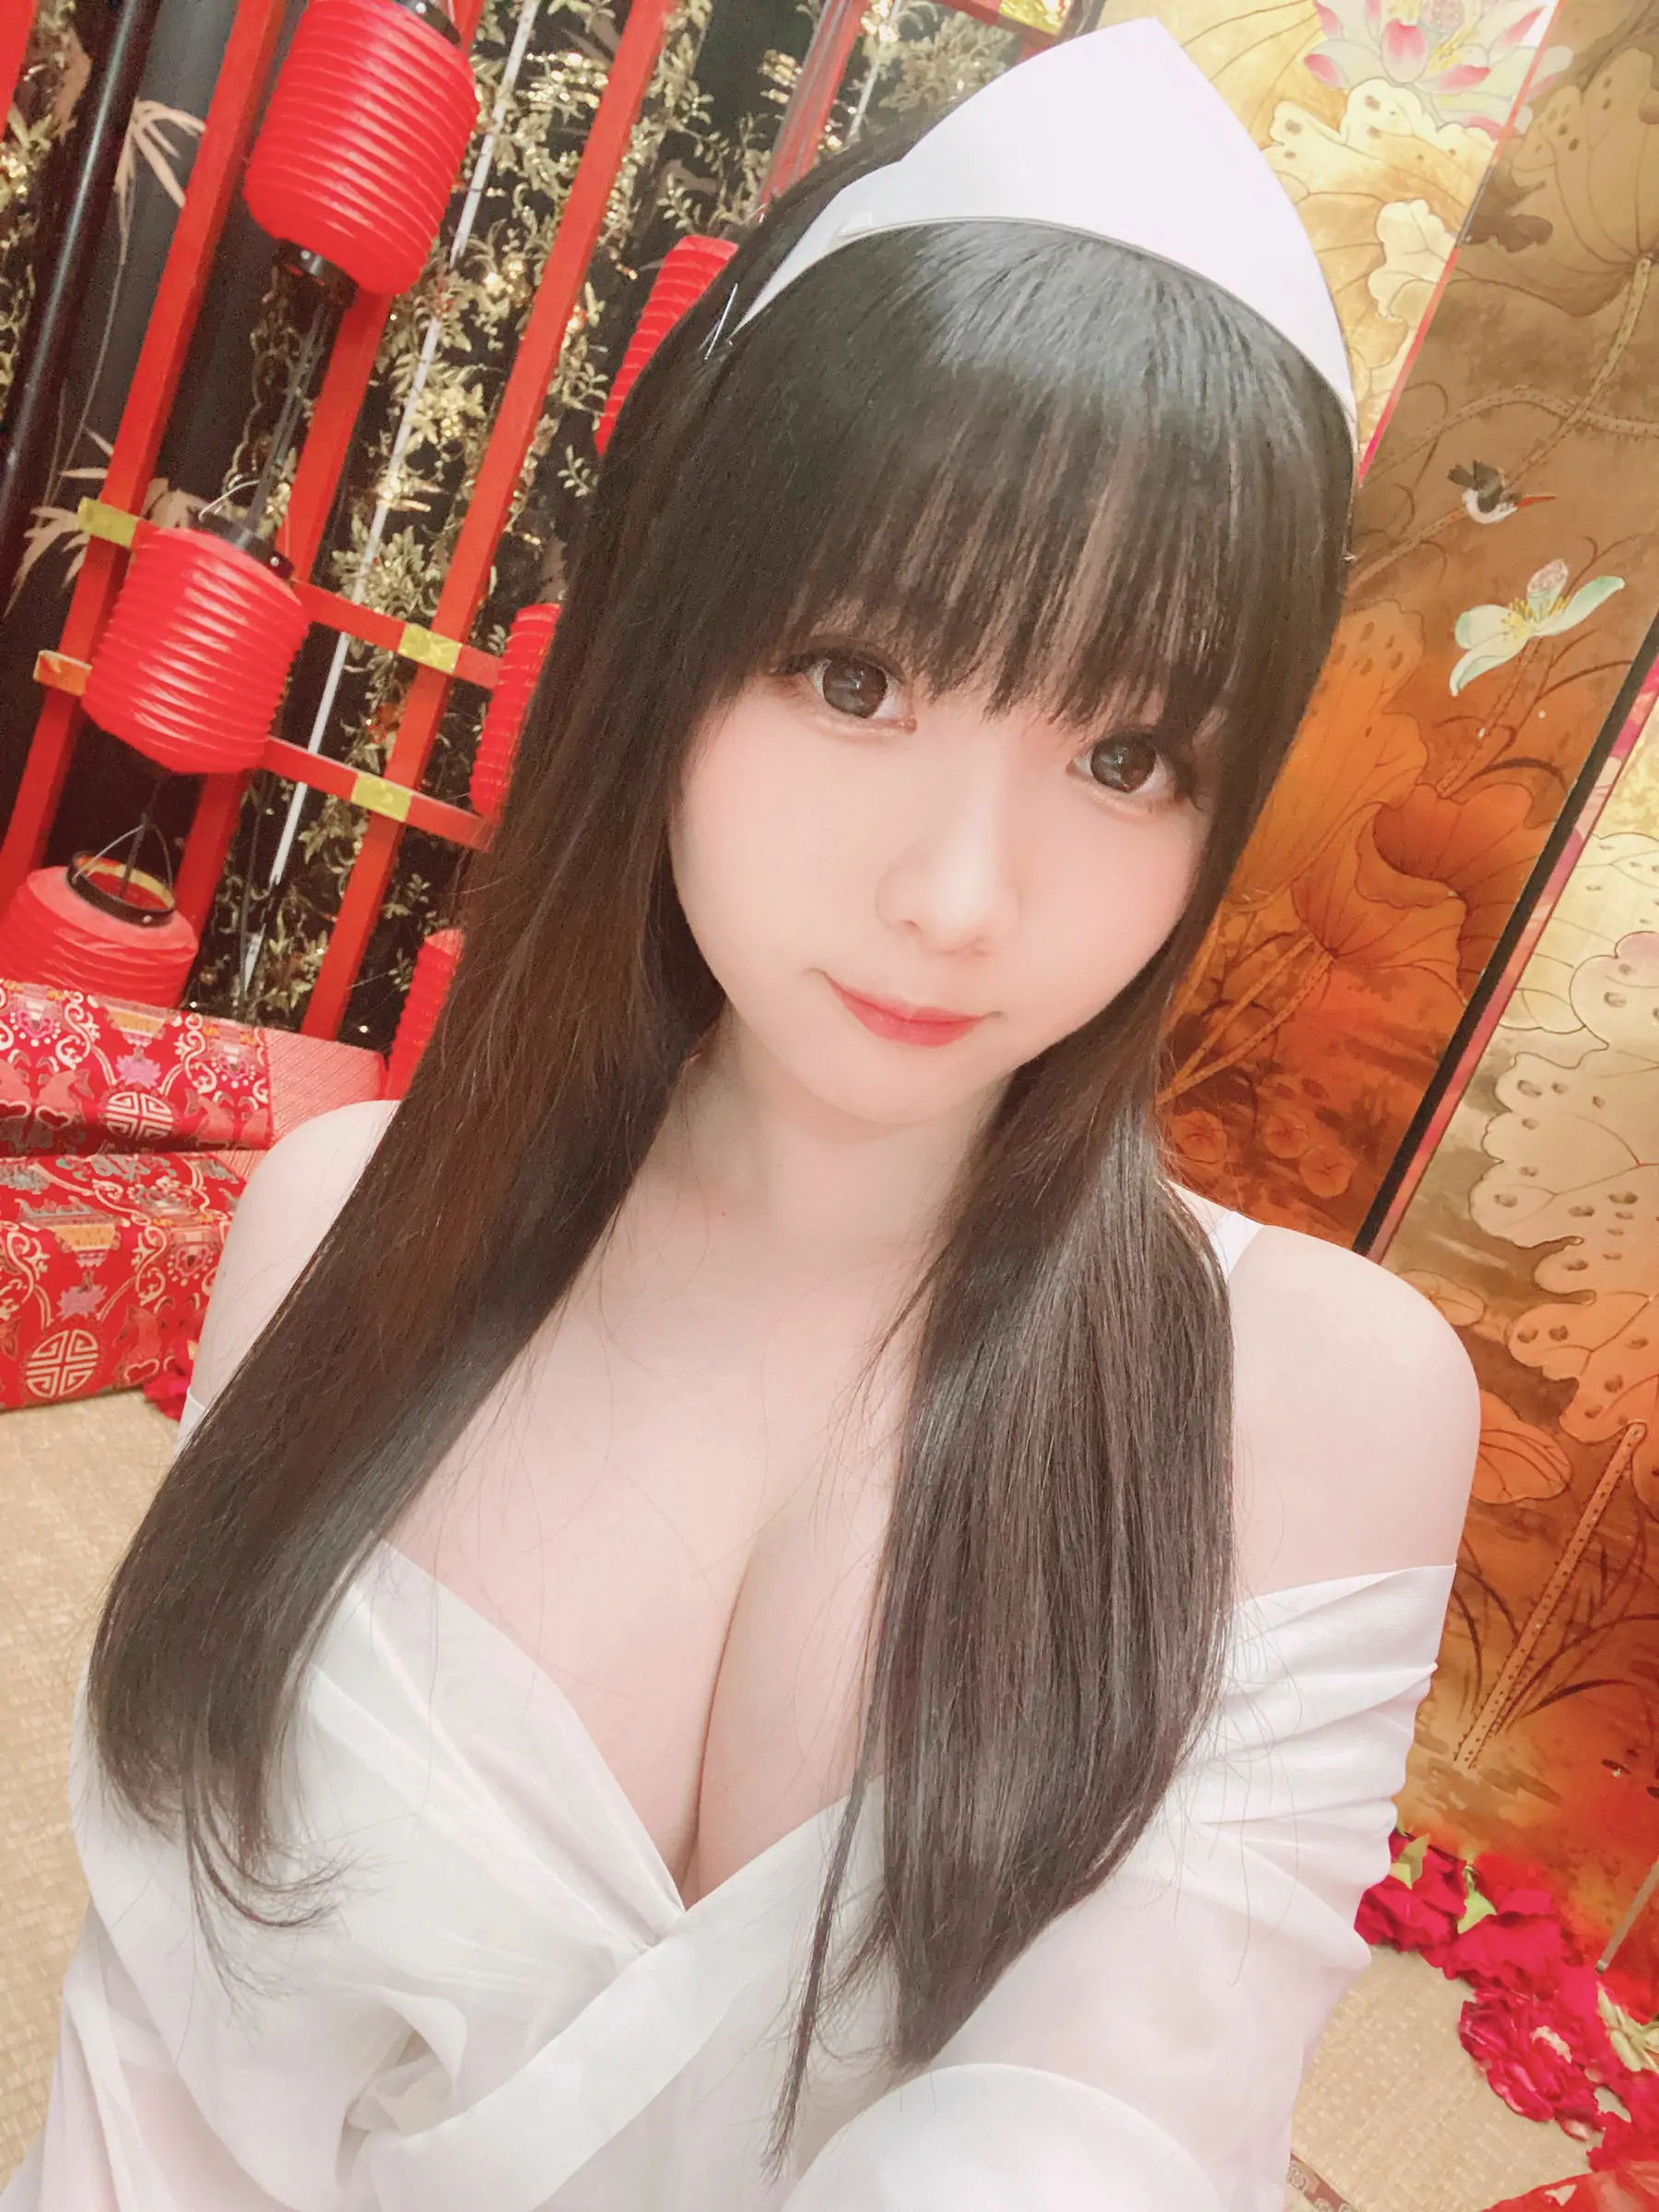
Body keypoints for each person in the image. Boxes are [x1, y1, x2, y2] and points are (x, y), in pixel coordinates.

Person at [5, 21, 1478, 2210]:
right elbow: (166, 2081)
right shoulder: (340, 1233)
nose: (960, 898)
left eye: (1127, 755)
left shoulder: (1305, 1403)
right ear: (670, 646)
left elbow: (1115, 2125)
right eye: (857, 678)